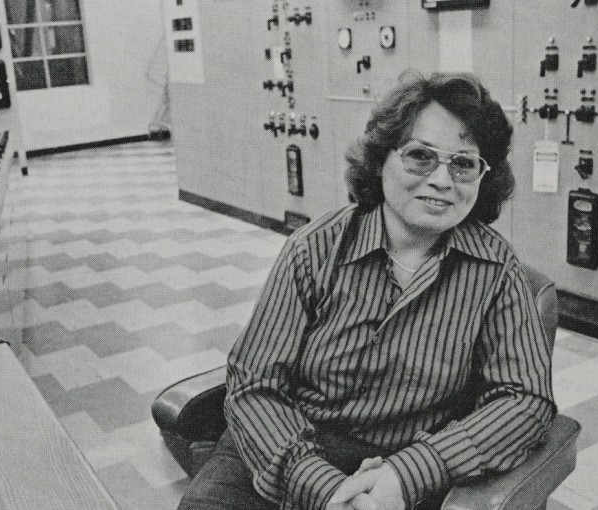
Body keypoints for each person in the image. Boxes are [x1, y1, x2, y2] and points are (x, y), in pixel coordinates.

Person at [178, 72, 556, 510]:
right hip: (288, 449)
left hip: (412, 463)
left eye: (463, 163)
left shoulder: (496, 270)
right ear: (381, 160)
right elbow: (255, 383)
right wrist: (322, 485)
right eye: (420, 156)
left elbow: (526, 400)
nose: (442, 179)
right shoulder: (314, 250)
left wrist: (407, 475)